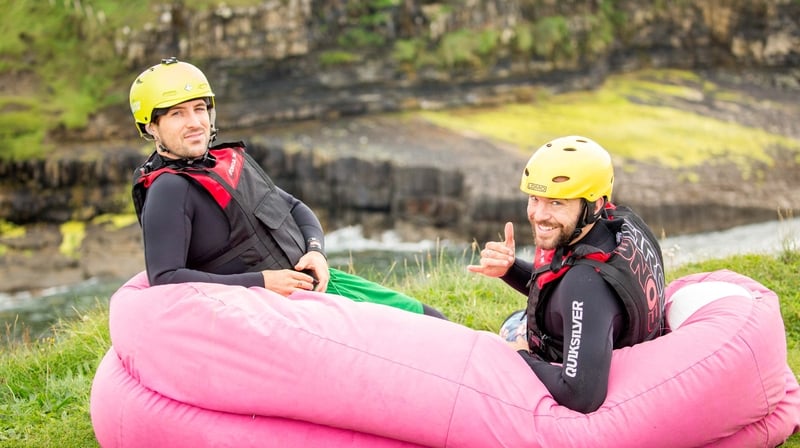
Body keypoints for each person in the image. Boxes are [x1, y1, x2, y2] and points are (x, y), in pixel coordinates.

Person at [128, 57, 446, 319]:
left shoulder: (226, 162)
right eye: (176, 114)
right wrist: (261, 282)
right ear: (151, 127)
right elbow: (166, 278)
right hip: (272, 313)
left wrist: (316, 252)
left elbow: (293, 207)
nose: (195, 122)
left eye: (199, 109)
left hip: (315, 284)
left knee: (430, 318)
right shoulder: (168, 190)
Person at [467, 135, 665, 413]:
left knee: (495, 341)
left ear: (593, 205)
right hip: (603, 332)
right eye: (535, 199)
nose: (539, 215)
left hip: (572, 359)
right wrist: (510, 269)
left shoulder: (585, 285)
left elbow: (581, 395)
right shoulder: (621, 223)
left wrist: (517, 356)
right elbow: (561, 290)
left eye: (557, 203)